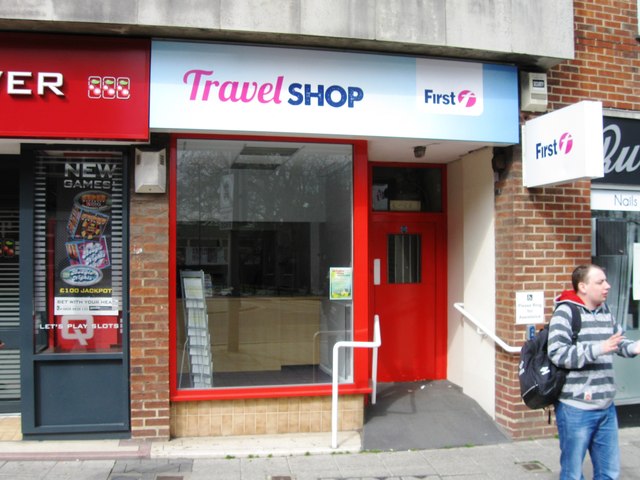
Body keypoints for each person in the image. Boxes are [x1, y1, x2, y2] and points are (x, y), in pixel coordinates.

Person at [548, 263, 640, 479]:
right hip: (576, 408)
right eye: (600, 282)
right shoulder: (566, 312)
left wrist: (634, 347)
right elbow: (557, 353)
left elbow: (618, 342)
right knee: (572, 473)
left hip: (606, 407)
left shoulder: (604, 311)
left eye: (606, 281)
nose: (607, 286)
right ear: (583, 286)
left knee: (608, 472)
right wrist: (599, 348)